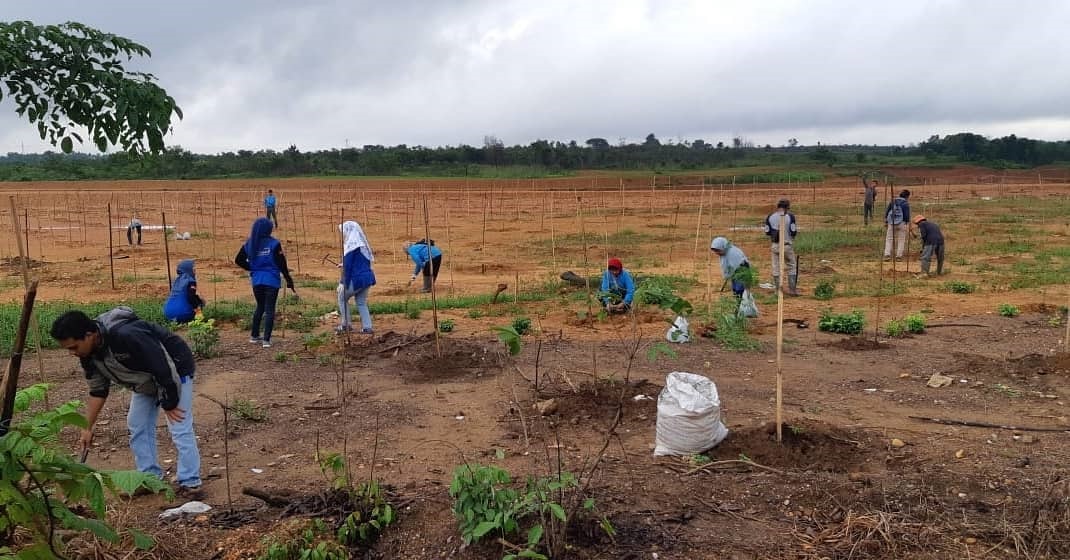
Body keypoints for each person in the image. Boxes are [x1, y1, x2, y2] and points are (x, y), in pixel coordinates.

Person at [50, 307, 202, 498]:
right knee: (137, 424)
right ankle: (149, 478)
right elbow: (98, 391)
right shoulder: (88, 354)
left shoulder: (126, 335)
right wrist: (86, 427)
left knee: (179, 424)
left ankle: (190, 482)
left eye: (73, 347)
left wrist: (169, 402)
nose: (72, 353)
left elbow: (163, 365)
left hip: (175, 371)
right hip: (145, 380)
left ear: (89, 335)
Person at [235, 217, 297, 348]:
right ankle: (266, 340)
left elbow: (238, 260)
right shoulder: (274, 244)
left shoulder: (250, 243)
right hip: (271, 281)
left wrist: (252, 268)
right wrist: (288, 279)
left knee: (260, 306)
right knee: (270, 309)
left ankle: (254, 335)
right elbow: (282, 264)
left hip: (256, 280)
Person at [336, 221, 376, 334]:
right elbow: (360, 262)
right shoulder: (363, 245)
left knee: (342, 298)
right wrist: (343, 264)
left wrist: (342, 282)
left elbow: (348, 267)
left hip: (356, 279)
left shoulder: (350, 246)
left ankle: (346, 325)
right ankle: (367, 327)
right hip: (367, 278)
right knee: (361, 301)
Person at [763, 198, 799, 296]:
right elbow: (793, 231)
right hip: (787, 245)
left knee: (776, 267)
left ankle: (778, 290)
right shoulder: (790, 216)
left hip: (775, 246)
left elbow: (767, 232)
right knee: (791, 265)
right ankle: (792, 290)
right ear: (787, 208)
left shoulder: (770, 216)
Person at [883, 189, 912, 260]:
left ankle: (887, 255)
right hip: (902, 223)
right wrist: (907, 223)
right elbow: (907, 216)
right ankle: (899, 256)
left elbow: (887, 211)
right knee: (901, 239)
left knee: (889, 238)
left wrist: (886, 221)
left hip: (892, 222)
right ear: (907, 196)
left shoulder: (893, 201)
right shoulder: (905, 203)